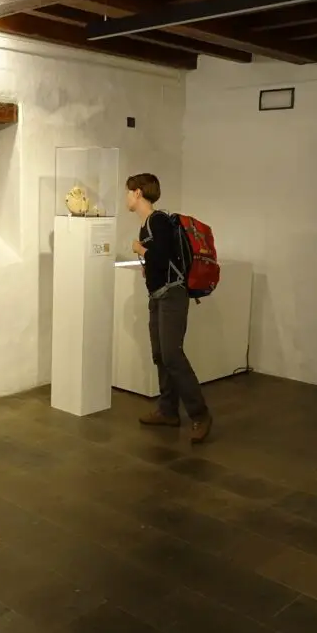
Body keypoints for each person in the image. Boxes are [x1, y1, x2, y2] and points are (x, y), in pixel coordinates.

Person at [127, 173, 212, 444]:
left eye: (129, 192)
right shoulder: (148, 224)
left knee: (173, 355)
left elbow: (161, 257)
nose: (127, 198)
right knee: (160, 354)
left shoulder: (159, 220)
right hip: (158, 296)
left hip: (172, 296)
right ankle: (167, 410)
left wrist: (141, 250)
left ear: (138, 193)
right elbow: (160, 261)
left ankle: (200, 414)